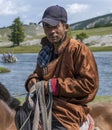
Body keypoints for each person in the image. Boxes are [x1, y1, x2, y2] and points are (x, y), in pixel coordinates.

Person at [25, 5, 99, 130]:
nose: (51, 31)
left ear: (65, 27)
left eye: (55, 26)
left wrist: (51, 86)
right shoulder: (45, 52)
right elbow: (38, 74)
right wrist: (32, 81)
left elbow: (88, 84)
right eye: (47, 27)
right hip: (44, 104)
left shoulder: (79, 50)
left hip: (68, 109)